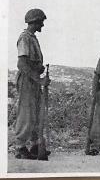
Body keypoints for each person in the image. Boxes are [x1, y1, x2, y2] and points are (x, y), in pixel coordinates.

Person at [15, 8, 51, 159]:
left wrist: (40, 69)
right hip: (27, 80)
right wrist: (39, 79)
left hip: (33, 80)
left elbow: (31, 62)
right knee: (27, 115)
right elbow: (22, 64)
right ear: (34, 22)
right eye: (41, 22)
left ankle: (35, 145)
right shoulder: (25, 37)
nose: (42, 25)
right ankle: (20, 148)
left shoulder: (33, 38)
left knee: (36, 113)